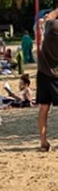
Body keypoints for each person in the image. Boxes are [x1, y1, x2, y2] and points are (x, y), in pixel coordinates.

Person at [37, 8, 58, 151]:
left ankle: (43, 141)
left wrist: (43, 20)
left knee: (44, 108)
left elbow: (49, 17)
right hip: (56, 74)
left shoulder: (52, 27)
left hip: (44, 73)